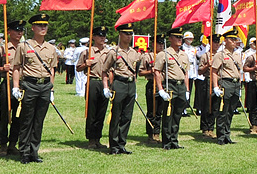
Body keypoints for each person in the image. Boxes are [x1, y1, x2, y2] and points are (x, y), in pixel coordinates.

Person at [10, 13, 60, 163]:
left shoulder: (51, 48)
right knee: (27, 120)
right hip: (29, 85)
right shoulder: (24, 46)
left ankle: (34, 151)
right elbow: (17, 67)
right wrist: (16, 87)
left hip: (44, 86)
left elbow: (52, 70)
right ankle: (24, 151)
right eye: (40, 25)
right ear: (33, 28)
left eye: (45, 25)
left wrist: (51, 89)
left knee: (39, 120)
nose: (43, 28)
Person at [100, 23, 146, 154]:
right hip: (119, 83)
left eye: (131, 33)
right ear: (120, 34)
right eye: (126, 33)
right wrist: (106, 87)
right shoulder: (113, 52)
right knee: (116, 116)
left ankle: (122, 143)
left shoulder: (134, 53)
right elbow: (105, 70)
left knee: (127, 116)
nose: (129, 36)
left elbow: (134, 71)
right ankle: (113, 145)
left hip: (131, 84)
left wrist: (135, 89)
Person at [153, 28, 189, 150]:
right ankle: (166, 141)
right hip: (170, 85)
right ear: (170, 39)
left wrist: (187, 90)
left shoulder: (184, 54)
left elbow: (186, 74)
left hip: (181, 87)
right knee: (168, 115)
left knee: (177, 115)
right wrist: (161, 89)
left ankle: (174, 140)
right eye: (177, 37)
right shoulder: (163, 54)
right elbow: (157, 72)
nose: (179, 39)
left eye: (180, 37)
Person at [0, 19, 24, 153]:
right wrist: (3, 68)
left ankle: (13, 143)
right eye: (16, 30)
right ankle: (3, 144)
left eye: (21, 30)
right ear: (9, 32)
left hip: (23, 83)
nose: (19, 33)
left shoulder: (25, 48)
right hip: (8, 82)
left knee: (19, 115)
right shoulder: (2, 49)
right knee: (5, 114)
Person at [210, 29, 244, 144]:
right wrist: (215, 87)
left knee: (230, 111)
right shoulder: (220, 55)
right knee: (222, 111)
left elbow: (239, 71)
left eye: (235, 39)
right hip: (225, 83)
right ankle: (220, 136)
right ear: (225, 41)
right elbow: (214, 71)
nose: (234, 41)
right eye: (232, 39)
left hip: (235, 84)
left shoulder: (237, 54)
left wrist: (239, 85)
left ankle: (227, 135)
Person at [81, 27, 110, 148]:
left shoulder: (109, 52)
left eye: (103, 35)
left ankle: (98, 137)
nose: (102, 38)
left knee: (101, 112)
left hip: (105, 83)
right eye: (99, 35)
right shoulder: (88, 51)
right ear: (93, 37)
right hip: (92, 81)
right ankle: (91, 138)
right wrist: (85, 64)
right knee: (91, 111)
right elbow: (78, 68)